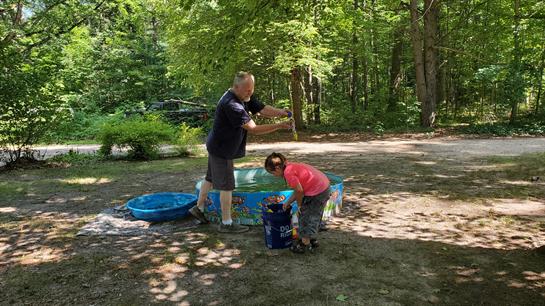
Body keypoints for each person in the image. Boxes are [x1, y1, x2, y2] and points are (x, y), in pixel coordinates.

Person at [189, 72, 292, 233]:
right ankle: (226, 223)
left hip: (218, 145)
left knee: (210, 177)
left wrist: (280, 112)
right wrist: (279, 125)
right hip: (222, 149)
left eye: (252, 89)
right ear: (236, 87)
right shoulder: (232, 104)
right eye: (247, 90)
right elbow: (254, 129)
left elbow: (262, 109)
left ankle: (199, 208)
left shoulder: (243, 96)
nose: (250, 93)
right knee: (227, 186)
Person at [264, 152, 330, 253]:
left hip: (317, 192)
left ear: (277, 168)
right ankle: (311, 238)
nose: (274, 176)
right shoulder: (290, 166)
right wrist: (288, 202)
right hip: (324, 188)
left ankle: (305, 244)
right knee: (313, 215)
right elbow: (298, 189)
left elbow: (299, 191)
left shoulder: (288, 173)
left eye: (273, 173)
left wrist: (299, 205)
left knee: (305, 217)